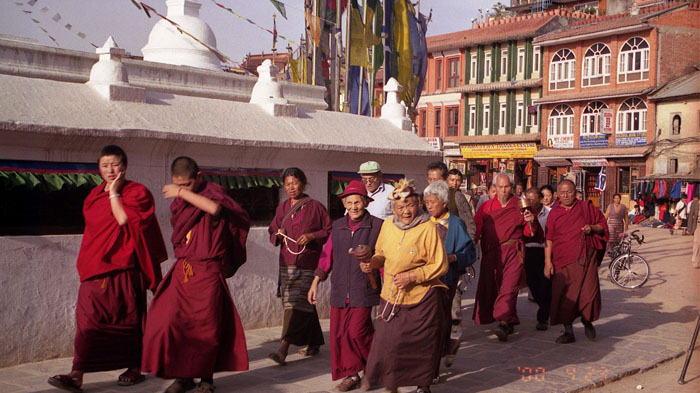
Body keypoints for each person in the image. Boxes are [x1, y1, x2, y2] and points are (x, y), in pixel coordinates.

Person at [48, 145, 168, 393]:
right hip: (95, 266)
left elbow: (125, 220)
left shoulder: (137, 192)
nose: (110, 170)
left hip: (125, 267)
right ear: (99, 169)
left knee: (128, 320)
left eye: (114, 164)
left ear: (124, 165)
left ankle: (133, 367)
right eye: (105, 166)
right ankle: (77, 373)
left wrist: (114, 193)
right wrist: (109, 193)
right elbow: (95, 231)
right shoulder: (93, 196)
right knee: (88, 321)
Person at [141, 157, 250, 393]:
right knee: (171, 322)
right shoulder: (182, 202)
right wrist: (183, 194)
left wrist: (181, 192)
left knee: (205, 328)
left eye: (187, 184)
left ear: (199, 177)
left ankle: (206, 380)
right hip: (183, 269)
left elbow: (214, 209)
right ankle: (183, 376)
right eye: (179, 185)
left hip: (208, 271)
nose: (182, 189)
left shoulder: (213, 194)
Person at [361, 179, 448, 393]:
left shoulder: (428, 228)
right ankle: (391, 383)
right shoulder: (388, 225)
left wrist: (412, 276)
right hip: (392, 295)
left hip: (422, 297)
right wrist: (372, 262)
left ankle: (423, 384)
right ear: (393, 208)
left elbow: (440, 264)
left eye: (410, 205)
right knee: (388, 342)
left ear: (418, 204)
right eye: (400, 207)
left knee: (422, 344)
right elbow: (381, 253)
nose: (406, 211)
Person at [307, 180, 383, 392]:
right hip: (340, 288)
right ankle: (352, 374)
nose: (353, 207)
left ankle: (374, 367)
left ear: (366, 202)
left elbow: (385, 256)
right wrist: (316, 281)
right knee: (340, 335)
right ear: (344, 204)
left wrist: (383, 276)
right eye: (349, 203)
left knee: (357, 331)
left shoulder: (377, 226)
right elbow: (327, 256)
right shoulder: (338, 226)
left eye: (357, 202)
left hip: (365, 287)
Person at [268, 168, 332, 365]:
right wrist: (278, 234)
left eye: (294, 183)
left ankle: (283, 349)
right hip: (287, 262)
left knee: (294, 305)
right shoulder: (282, 208)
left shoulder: (316, 207)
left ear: (303, 183)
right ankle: (314, 342)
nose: (291, 187)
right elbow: (272, 230)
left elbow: (329, 230)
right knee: (300, 303)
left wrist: (312, 236)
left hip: (307, 262)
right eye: (287, 184)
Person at [472, 173, 539, 341]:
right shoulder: (486, 206)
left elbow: (529, 231)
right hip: (492, 253)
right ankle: (509, 319)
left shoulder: (520, 205)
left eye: (506, 187)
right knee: (495, 287)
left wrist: (531, 220)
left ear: (512, 187)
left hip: (513, 251)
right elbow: (477, 228)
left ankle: (502, 322)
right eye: (500, 187)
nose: (503, 191)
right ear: (494, 188)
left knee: (509, 287)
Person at [545, 179, 609, 344]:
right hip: (562, 262)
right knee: (565, 297)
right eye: (562, 192)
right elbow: (549, 238)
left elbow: (602, 225)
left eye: (569, 192)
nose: (566, 195)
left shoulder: (586, 208)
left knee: (588, 293)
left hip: (585, 259)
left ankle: (587, 320)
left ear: (575, 192)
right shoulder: (554, 213)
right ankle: (568, 332)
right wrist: (547, 262)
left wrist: (591, 228)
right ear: (557, 195)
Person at [423, 180, 476, 368]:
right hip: (424, 281)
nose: (429, 206)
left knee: (439, 321)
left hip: (446, 281)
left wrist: (454, 257)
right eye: (427, 202)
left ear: (445, 203)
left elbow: (470, 253)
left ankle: (435, 363)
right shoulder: (423, 222)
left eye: (433, 202)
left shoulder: (456, 224)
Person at [523, 187, 551, 331]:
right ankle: (546, 306)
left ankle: (543, 318)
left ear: (540, 199)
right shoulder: (523, 212)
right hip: (528, 251)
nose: (529, 202)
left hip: (544, 251)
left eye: (532, 199)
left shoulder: (549, 213)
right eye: (527, 199)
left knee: (545, 285)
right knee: (532, 284)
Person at [427, 162, 476, 239]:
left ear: (444, 179)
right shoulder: (424, 197)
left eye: (436, 179)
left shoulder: (456, 196)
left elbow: (469, 225)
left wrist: (467, 245)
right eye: (430, 179)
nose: (432, 182)